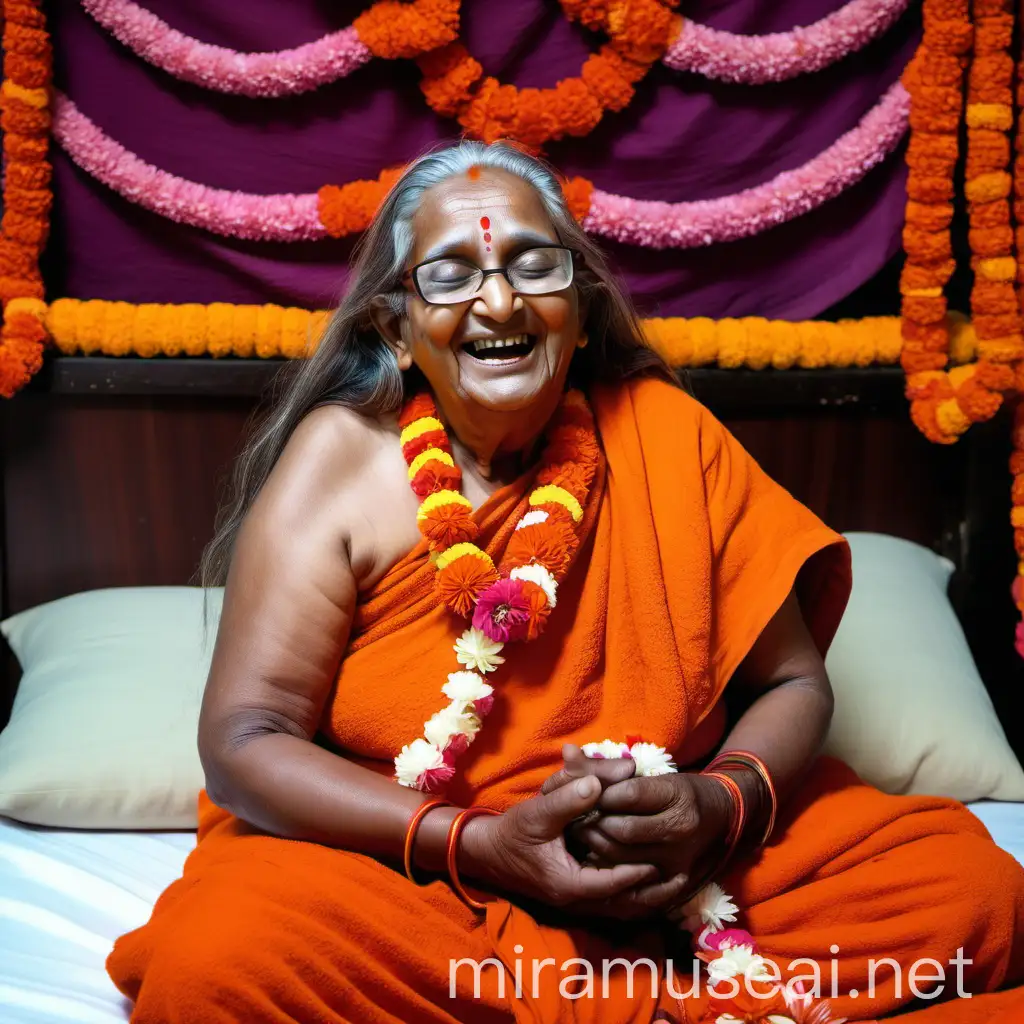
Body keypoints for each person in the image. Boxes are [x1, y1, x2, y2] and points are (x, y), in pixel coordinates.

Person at [107, 142, 1024, 1024]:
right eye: (451, 273)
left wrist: (718, 803)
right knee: (218, 962)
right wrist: (480, 846)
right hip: (418, 871)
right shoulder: (342, 463)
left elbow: (790, 681)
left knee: (975, 896)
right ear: (396, 326)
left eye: (532, 266)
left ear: (579, 310)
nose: (497, 300)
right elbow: (245, 739)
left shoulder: (668, 433)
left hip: (680, 865)